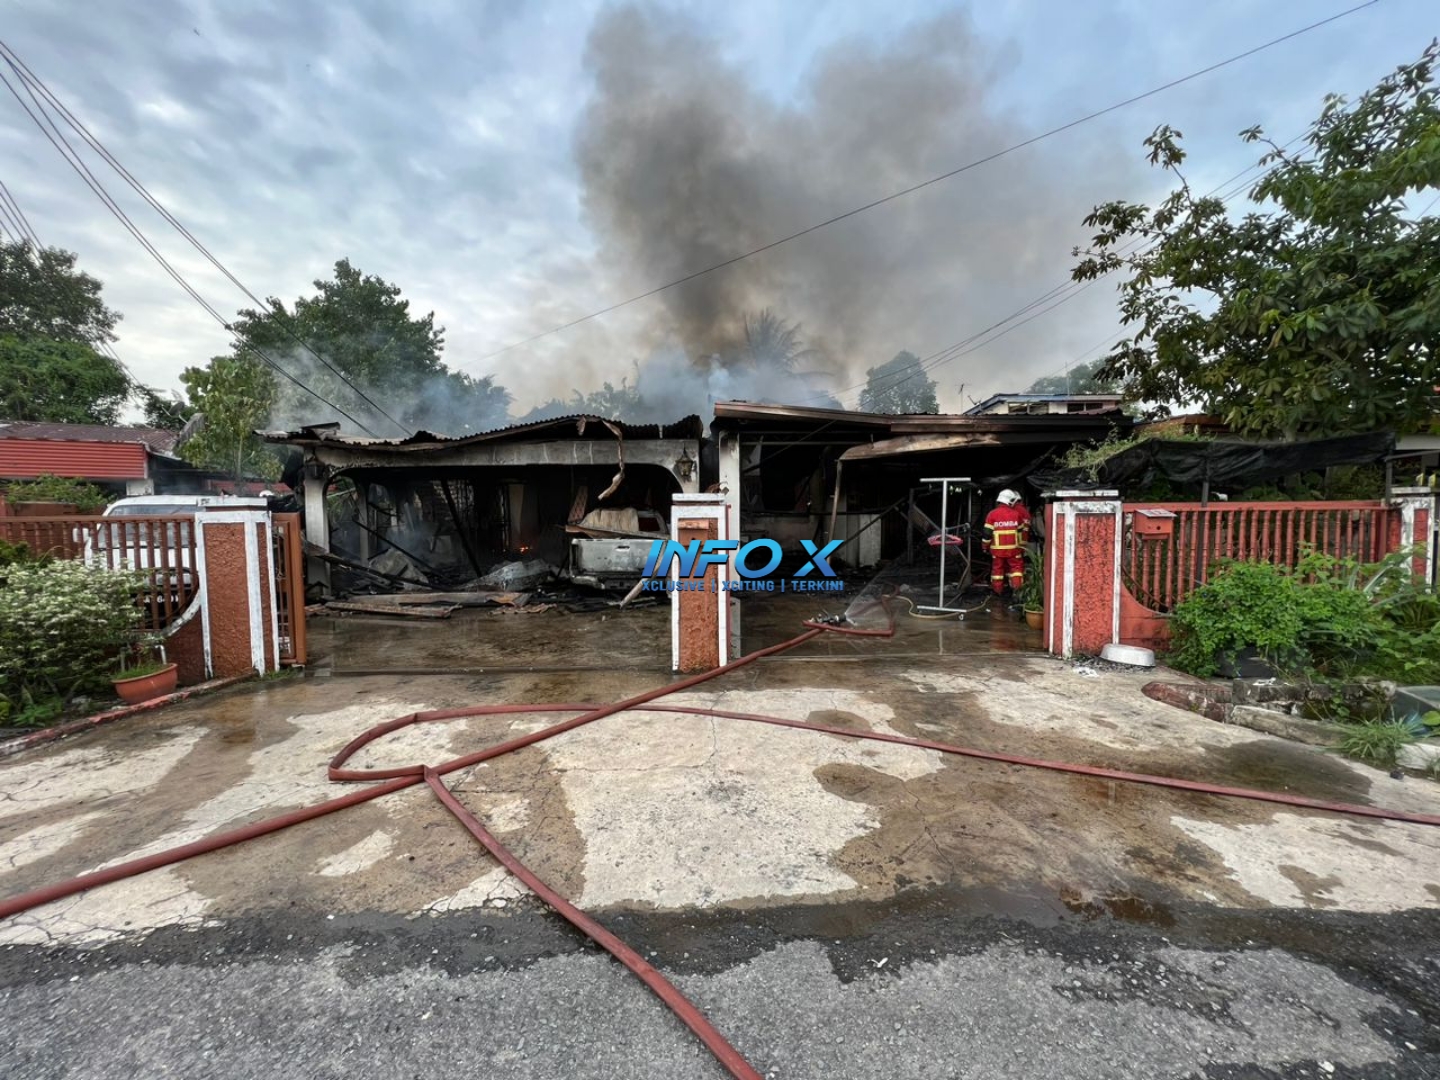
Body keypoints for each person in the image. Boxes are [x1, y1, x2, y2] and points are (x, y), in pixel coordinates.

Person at [981, 489, 1031, 599]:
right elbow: (1021, 533)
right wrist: (1021, 547)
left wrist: (984, 547)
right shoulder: (1016, 514)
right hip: (1014, 550)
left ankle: (997, 592)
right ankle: (1017, 592)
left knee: (997, 571)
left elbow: (987, 535)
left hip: (997, 551)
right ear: (1009, 501)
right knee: (1016, 569)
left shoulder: (992, 514)